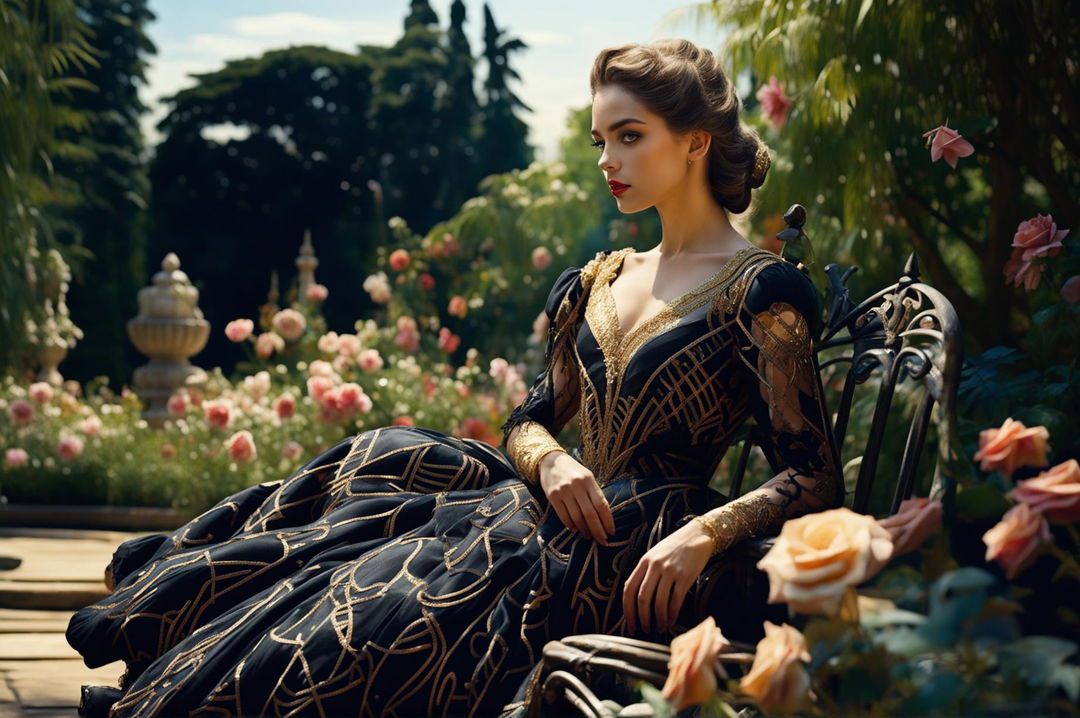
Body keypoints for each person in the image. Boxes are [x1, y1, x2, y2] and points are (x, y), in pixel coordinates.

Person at [66, 38, 842, 717]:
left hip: (639, 553)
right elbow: (531, 419)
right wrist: (553, 458)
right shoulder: (597, 280)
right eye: (600, 138)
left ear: (698, 142)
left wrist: (702, 536)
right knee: (385, 458)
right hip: (563, 504)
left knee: (404, 594)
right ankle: (161, 656)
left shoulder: (759, 290)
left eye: (630, 137)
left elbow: (813, 475)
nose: (607, 160)